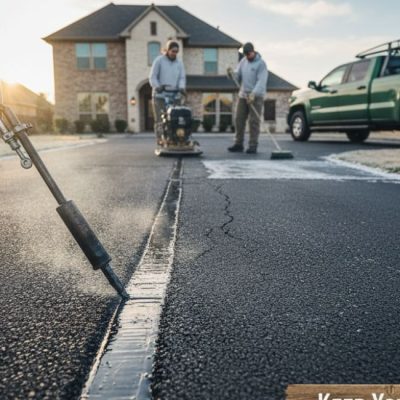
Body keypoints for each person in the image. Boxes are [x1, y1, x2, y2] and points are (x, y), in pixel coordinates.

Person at [227, 42, 268, 154]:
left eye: (249, 54)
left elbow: (261, 81)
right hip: (243, 95)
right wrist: (231, 74)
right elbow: (237, 75)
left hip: (256, 96)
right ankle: (238, 144)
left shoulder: (261, 64)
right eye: (245, 54)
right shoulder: (243, 61)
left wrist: (253, 94)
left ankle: (253, 145)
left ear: (253, 52)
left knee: (254, 121)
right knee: (239, 119)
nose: (247, 56)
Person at [149, 40, 186, 144]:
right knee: (160, 119)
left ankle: (174, 138)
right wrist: (158, 86)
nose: (175, 53)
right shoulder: (159, 60)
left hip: (175, 95)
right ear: (168, 50)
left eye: (176, 51)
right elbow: (152, 77)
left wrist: (181, 88)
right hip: (160, 95)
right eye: (173, 51)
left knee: (175, 118)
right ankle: (160, 139)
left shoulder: (179, 63)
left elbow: (182, 78)